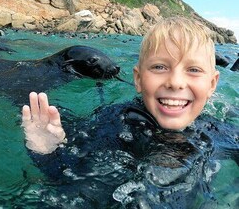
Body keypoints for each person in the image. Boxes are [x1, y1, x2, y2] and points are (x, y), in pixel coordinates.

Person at [20, 19, 233, 208]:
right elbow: (67, 180)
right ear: (138, 79)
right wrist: (47, 152)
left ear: (212, 84)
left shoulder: (218, 131)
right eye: (159, 67)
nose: (175, 82)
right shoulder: (115, 123)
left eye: (193, 70)